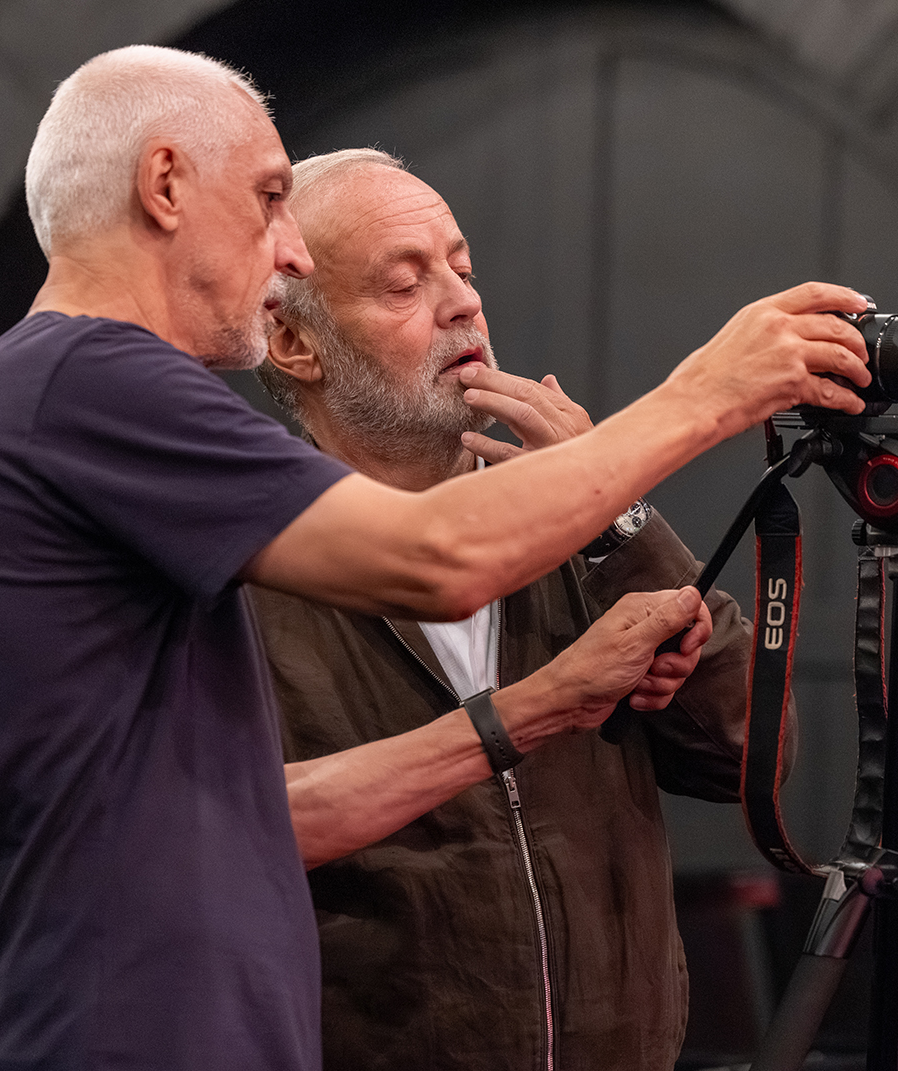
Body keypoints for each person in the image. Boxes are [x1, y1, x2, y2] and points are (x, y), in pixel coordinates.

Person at [0, 45, 872, 1071]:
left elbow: (250, 816)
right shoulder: (86, 384)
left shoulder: (31, 407)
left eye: (463, 268)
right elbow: (439, 560)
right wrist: (708, 393)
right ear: (164, 185)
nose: (289, 252)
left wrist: (564, 651)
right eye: (268, 197)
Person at [249, 148, 767, 1071]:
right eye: (405, 284)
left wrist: (615, 509)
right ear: (294, 344)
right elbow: (220, 846)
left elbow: (749, 754)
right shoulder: (250, 567)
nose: (462, 303)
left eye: (464, 268)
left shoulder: (571, 524)